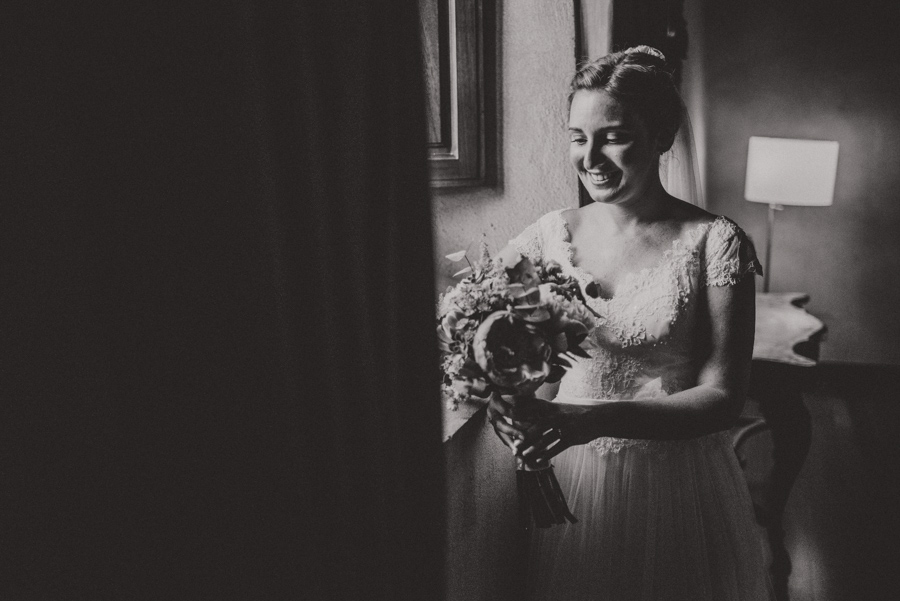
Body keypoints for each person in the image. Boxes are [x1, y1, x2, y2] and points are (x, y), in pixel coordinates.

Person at [488, 46, 773, 600]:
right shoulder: (547, 237)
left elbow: (724, 395)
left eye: (613, 136)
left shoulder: (716, 242)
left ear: (662, 136)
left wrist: (594, 420)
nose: (590, 156)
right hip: (572, 480)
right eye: (577, 137)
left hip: (675, 481)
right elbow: (486, 329)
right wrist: (504, 393)